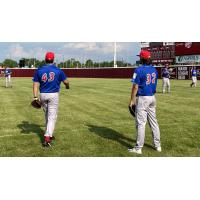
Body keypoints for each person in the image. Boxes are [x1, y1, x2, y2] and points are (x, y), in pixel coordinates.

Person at [33, 52, 70, 147]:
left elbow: (36, 84)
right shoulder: (58, 70)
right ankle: (47, 137)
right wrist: (67, 86)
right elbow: (66, 81)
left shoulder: (39, 70)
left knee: (47, 115)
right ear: (53, 60)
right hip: (53, 95)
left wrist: (35, 97)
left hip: (43, 95)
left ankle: (49, 133)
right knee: (52, 116)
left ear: (45, 59)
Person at [128, 50, 161, 154]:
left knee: (141, 124)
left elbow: (135, 86)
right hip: (152, 97)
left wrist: (132, 100)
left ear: (142, 58)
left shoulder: (138, 70)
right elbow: (155, 85)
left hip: (142, 99)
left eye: (140, 57)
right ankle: (158, 146)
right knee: (154, 122)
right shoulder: (154, 70)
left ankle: (138, 148)